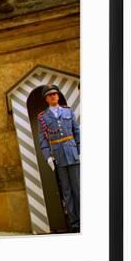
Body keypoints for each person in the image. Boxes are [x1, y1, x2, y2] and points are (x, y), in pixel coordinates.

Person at [37, 84, 81, 233]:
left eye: (55, 94)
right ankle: (75, 223)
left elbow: (77, 132)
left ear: (59, 95)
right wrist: (48, 157)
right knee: (67, 192)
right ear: (46, 99)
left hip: (73, 153)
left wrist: (80, 150)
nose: (53, 96)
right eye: (50, 95)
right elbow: (43, 140)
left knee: (78, 188)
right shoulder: (42, 117)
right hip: (59, 157)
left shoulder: (68, 111)